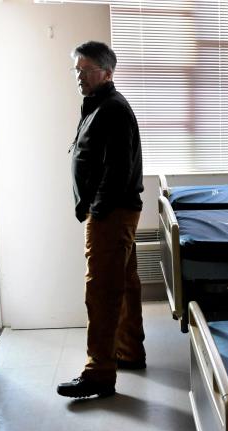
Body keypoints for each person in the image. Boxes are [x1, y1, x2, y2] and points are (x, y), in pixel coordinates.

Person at [58, 40, 145, 399]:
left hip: (111, 214)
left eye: (86, 70)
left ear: (107, 73)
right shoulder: (99, 105)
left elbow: (119, 168)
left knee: (102, 291)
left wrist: (97, 209)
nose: (79, 76)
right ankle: (128, 351)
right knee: (123, 283)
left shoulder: (112, 109)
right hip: (114, 212)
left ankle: (99, 373)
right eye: (77, 70)